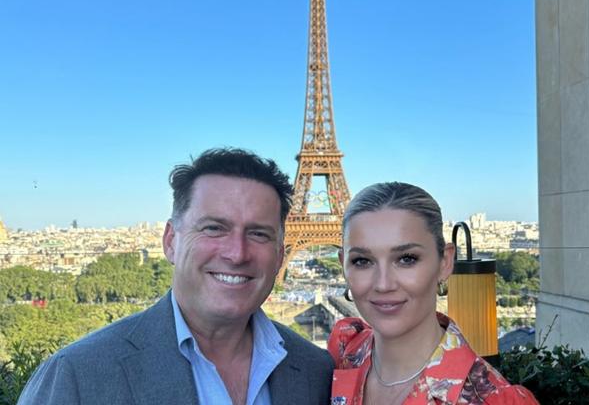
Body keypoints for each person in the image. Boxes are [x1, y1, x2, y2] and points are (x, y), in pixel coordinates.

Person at [19, 148, 333, 405]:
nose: (237, 253)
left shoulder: (315, 371)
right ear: (171, 241)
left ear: (280, 254)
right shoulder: (76, 376)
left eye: (259, 233)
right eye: (214, 228)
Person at [328, 182, 538, 405]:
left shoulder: (494, 400)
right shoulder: (345, 349)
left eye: (406, 259)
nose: (383, 284)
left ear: (445, 262)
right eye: (362, 261)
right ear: (343, 266)